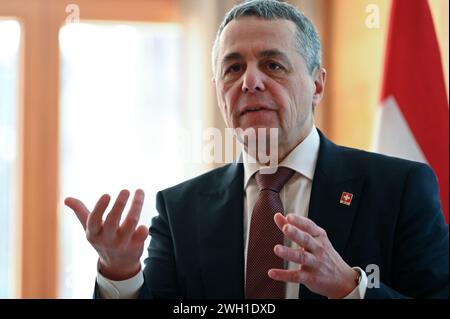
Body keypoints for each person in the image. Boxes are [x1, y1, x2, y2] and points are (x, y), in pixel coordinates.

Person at [65, 0, 449, 299]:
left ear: (317, 85)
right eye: (233, 69)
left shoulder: (399, 189)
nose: (250, 81)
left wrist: (350, 287)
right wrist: (120, 272)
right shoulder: (179, 209)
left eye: (272, 65)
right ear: (219, 92)